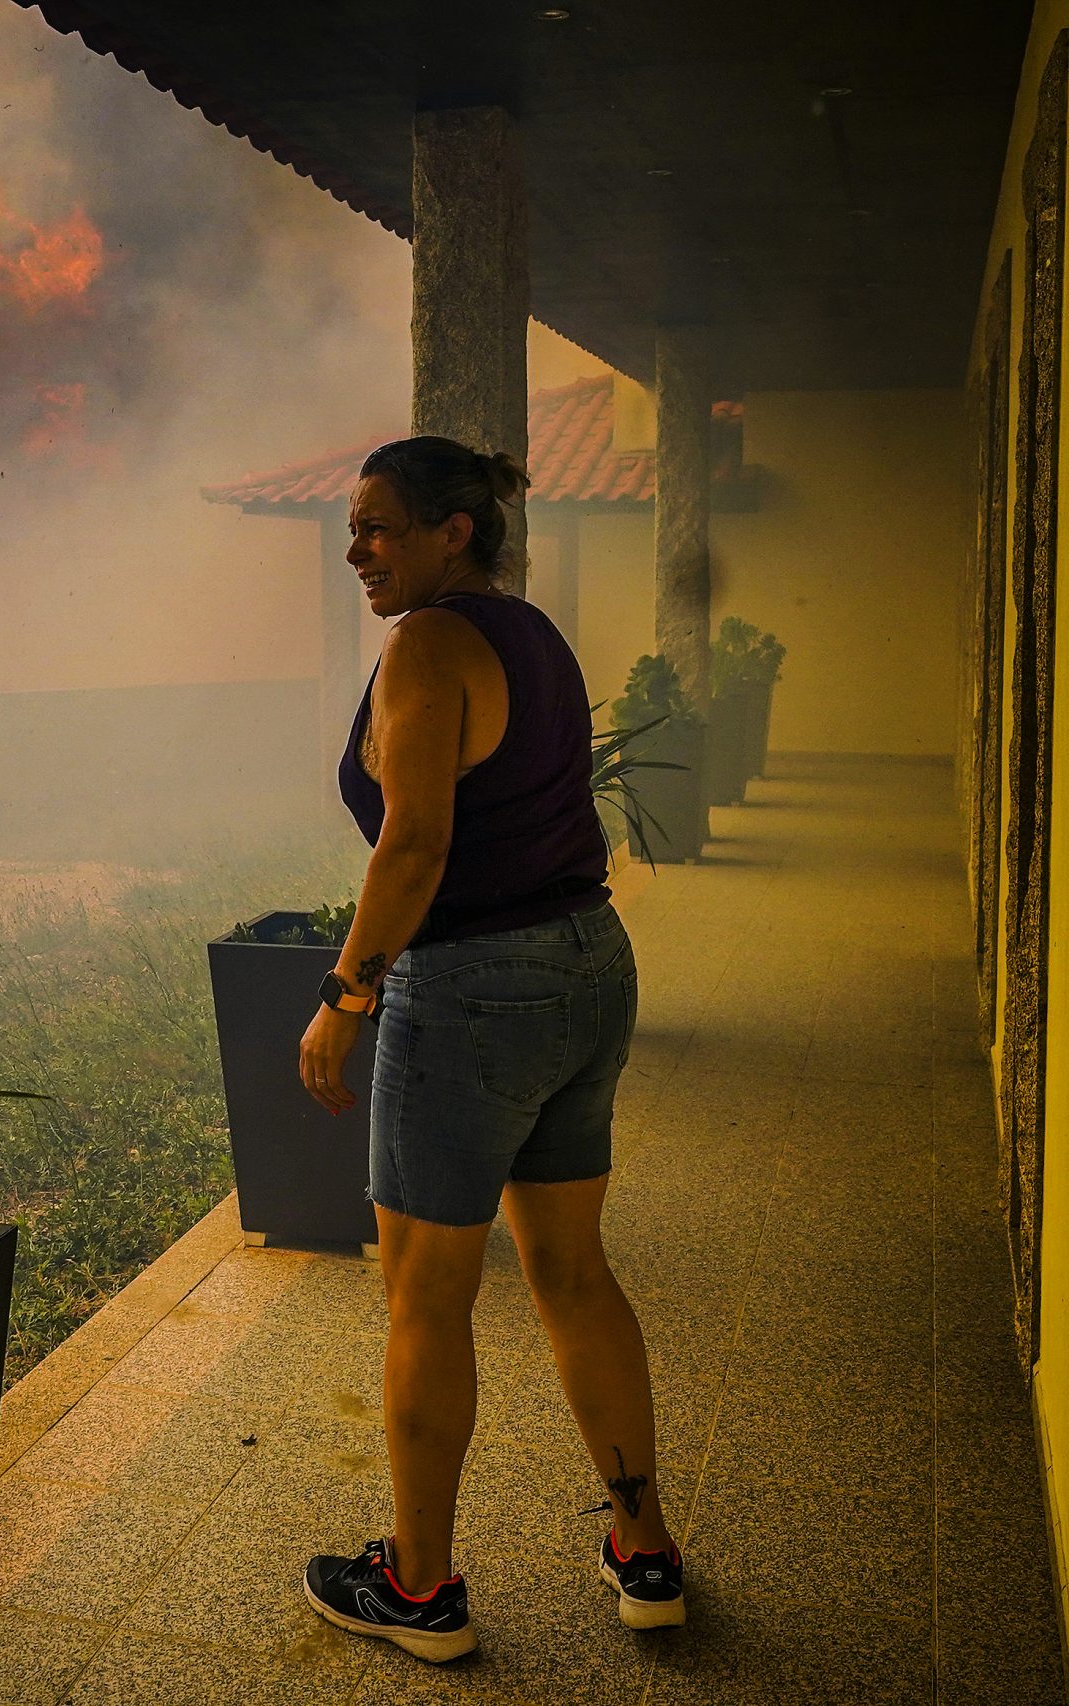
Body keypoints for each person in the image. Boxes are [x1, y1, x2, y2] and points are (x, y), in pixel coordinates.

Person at [294, 436, 681, 1665]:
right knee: (573, 1272)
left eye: (378, 527)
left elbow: (412, 845)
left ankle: (416, 1589)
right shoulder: (531, 633)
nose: (357, 549)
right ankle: (645, 1549)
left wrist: (343, 996)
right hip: (586, 963)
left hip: (468, 988)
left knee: (426, 1294)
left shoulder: (426, 645)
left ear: (451, 531)